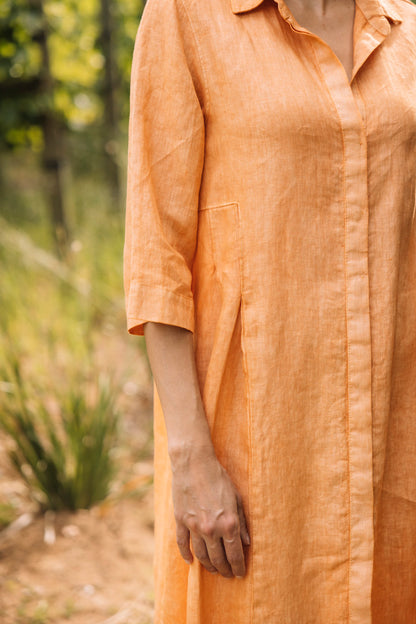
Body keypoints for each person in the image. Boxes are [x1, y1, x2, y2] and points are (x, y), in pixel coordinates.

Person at [123, 0, 416, 621]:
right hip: (258, 440)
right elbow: (158, 261)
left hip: (397, 429)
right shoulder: (186, 17)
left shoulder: (404, 18)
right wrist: (191, 459)